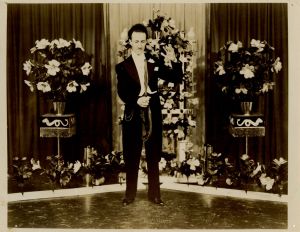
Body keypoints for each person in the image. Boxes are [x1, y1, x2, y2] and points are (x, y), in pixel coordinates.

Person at [115, 23, 183, 206]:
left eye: (142, 41)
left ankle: (155, 195)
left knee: (153, 155)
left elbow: (176, 78)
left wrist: (174, 60)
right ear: (130, 42)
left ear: (146, 42)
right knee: (132, 154)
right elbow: (122, 92)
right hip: (133, 113)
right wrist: (136, 100)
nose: (139, 45)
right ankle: (129, 195)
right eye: (136, 41)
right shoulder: (122, 67)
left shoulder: (154, 61)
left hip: (153, 112)